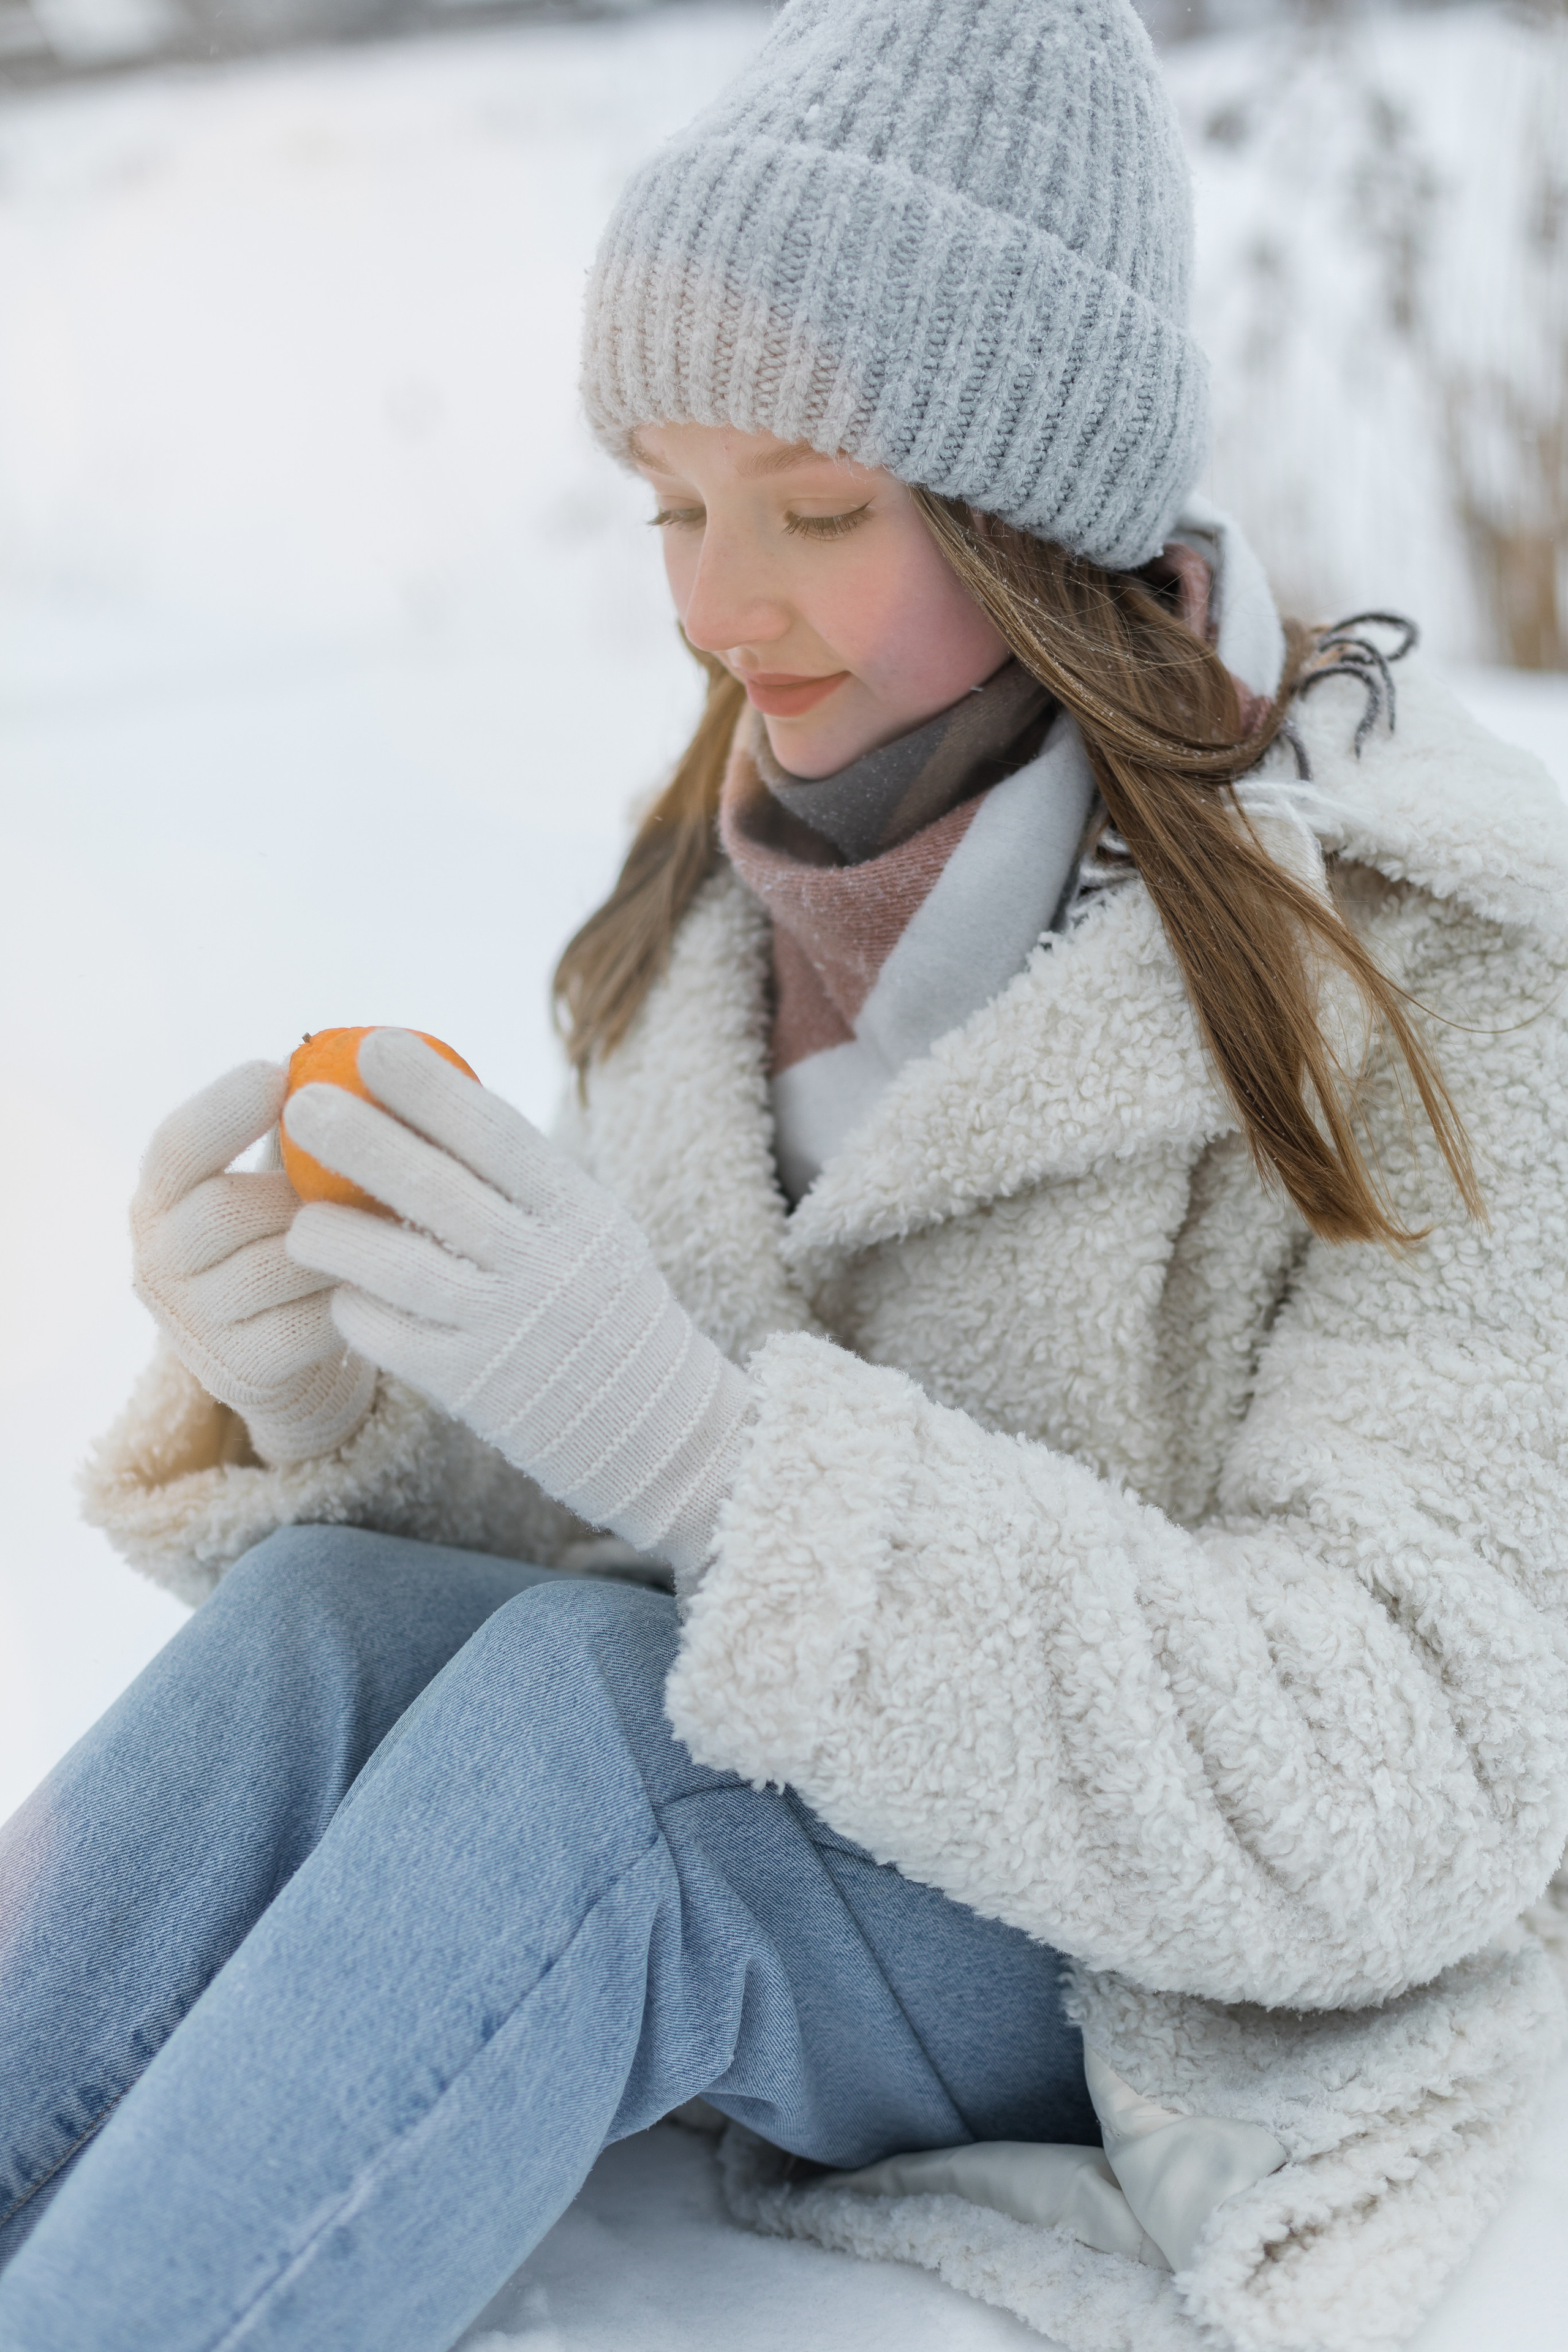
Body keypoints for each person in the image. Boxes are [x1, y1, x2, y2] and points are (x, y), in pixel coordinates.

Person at [3, 3, 1566, 2348]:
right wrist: (333, 1400)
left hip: (1172, 1981)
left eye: (814, 508)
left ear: (1046, 518)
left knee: (594, 1745)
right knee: (320, 1637)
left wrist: (722, 1461)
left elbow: (1399, 1796)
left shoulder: (1442, 987)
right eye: (671, 501)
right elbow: (607, 1550)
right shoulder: (715, 925)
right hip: (804, 1831)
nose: (711, 608)